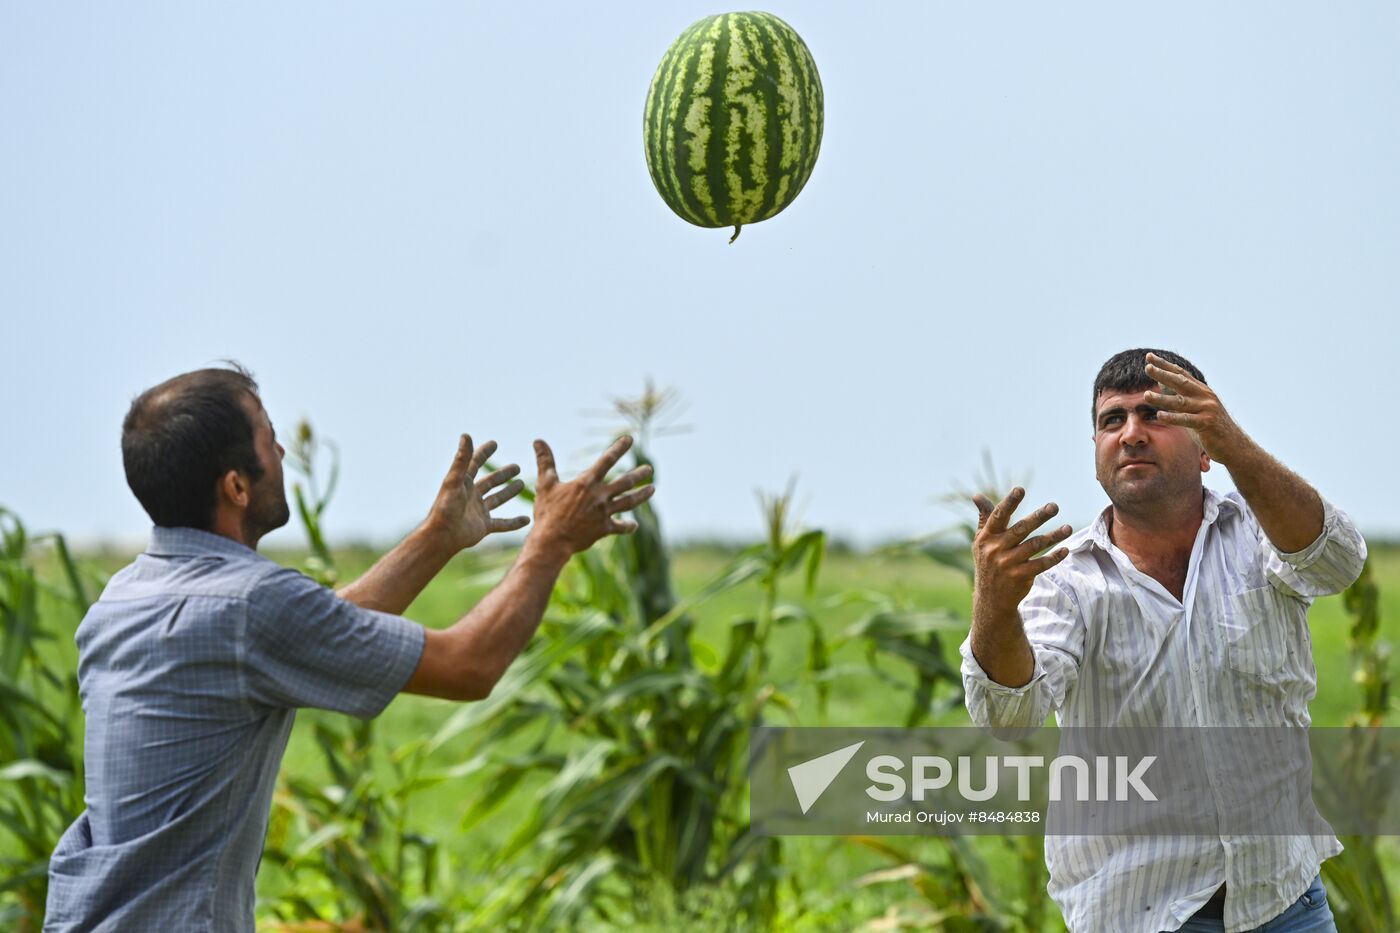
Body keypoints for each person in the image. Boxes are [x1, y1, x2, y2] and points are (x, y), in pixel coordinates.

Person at [43, 364, 655, 932]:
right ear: (236, 485)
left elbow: (314, 628)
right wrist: (550, 541)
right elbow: (470, 665)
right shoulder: (246, 605)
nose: (282, 452)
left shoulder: (126, 598)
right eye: (268, 439)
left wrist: (437, 538)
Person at [959, 348, 1365, 933]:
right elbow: (1010, 714)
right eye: (1112, 420)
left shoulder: (1260, 533)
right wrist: (995, 603)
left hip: (1285, 900)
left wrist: (1238, 446)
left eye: (1154, 414)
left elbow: (1337, 564)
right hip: (1140, 913)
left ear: (1206, 449)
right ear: (1096, 452)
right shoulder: (1067, 582)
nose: (1131, 434)